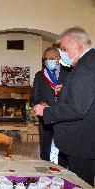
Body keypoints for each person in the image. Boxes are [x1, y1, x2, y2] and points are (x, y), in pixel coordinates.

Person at [34, 27, 95, 186]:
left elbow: (76, 108)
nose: (63, 54)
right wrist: (66, 89)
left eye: (65, 49)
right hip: (87, 137)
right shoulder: (89, 61)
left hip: (83, 141)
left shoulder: (85, 68)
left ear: (79, 46)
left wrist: (45, 111)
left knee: (79, 183)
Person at [32, 47, 70, 166]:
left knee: (63, 148)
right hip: (45, 116)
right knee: (45, 147)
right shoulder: (39, 75)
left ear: (59, 59)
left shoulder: (69, 73)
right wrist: (40, 102)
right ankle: (45, 170)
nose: (49, 61)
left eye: (52, 59)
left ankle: (62, 172)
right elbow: (34, 96)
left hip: (62, 115)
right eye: (46, 59)